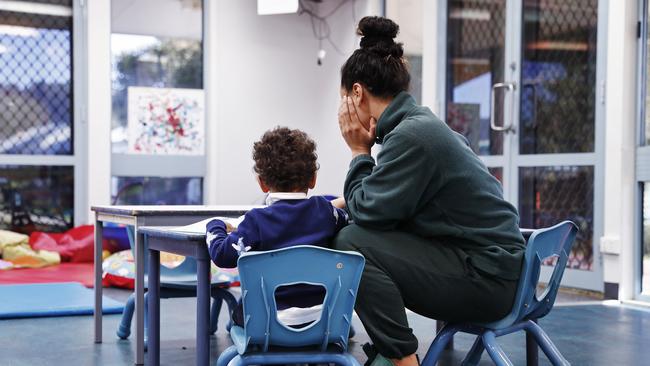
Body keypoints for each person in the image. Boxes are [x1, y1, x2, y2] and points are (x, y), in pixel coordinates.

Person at [333, 16, 526, 366]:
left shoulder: (410, 138)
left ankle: (402, 359)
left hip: (488, 281)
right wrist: (345, 198)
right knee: (359, 234)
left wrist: (358, 152)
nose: (343, 112)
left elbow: (367, 213)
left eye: (344, 100)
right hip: (503, 272)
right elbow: (395, 196)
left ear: (357, 93)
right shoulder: (421, 126)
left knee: (350, 242)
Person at [206, 126, 349, 327]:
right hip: (323, 317)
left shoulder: (256, 221)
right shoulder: (325, 212)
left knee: (239, 312)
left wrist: (215, 225)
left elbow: (222, 254)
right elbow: (340, 212)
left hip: (267, 321)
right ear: (313, 179)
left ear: (263, 183)